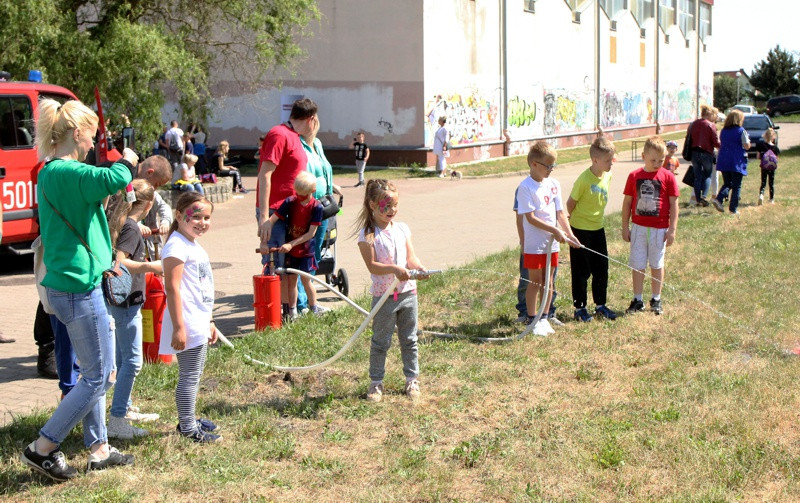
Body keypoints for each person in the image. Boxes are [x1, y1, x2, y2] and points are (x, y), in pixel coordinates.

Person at [21, 98, 137, 482]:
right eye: (91, 135)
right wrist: (128, 158)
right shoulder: (65, 171)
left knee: (96, 370)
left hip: (76, 284)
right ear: (76, 133)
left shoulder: (56, 172)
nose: (93, 142)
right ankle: (44, 447)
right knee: (98, 376)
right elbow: (114, 179)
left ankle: (100, 448)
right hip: (76, 289)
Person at [355, 179, 428, 402]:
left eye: (395, 205)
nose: (392, 210)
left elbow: (410, 258)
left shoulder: (402, 228)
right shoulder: (368, 234)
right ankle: (376, 383)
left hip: (408, 293)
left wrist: (419, 267)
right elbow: (372, 265)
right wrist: (395, 269)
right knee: (381, 340)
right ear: (372, 205)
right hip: (384, 296)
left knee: (409, 338)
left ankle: (412, 380)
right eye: (387, 205)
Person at [159, 192, 222, 443]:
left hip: (199, 320)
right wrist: (178, 328)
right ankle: (187, 428)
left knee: (194, 375)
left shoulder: (190, 243)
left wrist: (210, 320)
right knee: (189, 376)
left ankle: (189, 418)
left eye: (206, 217)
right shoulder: (176, 245)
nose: (202, 222)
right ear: (178, 215)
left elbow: (200, 287)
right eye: (195, 216)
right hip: (186, 322)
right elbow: (172, 288)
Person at [104, 179, 163, 439]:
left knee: (122, 358)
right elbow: (121, 262)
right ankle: (117, 420)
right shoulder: (130, 228)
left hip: (122, 300)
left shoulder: (124, 222)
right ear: (149, 204)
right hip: (127, 301)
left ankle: (124, 407)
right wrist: (153, 266)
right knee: (132, 361)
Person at [257, 98, 318, 316]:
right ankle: (276, 315)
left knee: (289, 267)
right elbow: (265, 174)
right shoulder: (279, 134)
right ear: (311, 119)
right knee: (276, 266)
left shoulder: (295, 137)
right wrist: (264, 216)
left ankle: (287, 312)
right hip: (275, 212)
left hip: (292, 212)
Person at [516, 142, 580, 336]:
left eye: (554, 166)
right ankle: (532, 318)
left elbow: (560, 212)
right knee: (535, 281)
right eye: (548, 166)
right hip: (534, 244)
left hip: (552, 243)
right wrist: (554, 231)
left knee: (549, 280)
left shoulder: (553, 184)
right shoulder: (525, 187)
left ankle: (544, 318)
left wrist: (569, 234)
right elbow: (530, 217)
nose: (551, 170)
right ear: (534, 164)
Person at [621, 136, 679, 316]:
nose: (657, 164)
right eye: (653, 160)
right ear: (643, 156)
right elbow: (627, 203)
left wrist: (672, 230)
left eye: (661, 161)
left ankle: (656, 298)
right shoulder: (634, 176)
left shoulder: (668, 177)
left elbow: (674, 203)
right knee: (638, 264)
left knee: (656, 263)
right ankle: (637, 299)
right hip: (638, 228)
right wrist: (625, 226)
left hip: (659, 230)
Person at [566, 137, 617, 322]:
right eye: (607, 160)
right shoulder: (584, 179)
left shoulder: (608, 175)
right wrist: (572, 222)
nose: (611, 163)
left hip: (598, 229)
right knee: (581, 271)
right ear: (595, 160)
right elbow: (570, 203)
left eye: (612, 159)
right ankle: (580, 308)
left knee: (601, 268)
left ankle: (600, 305)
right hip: (580, 229)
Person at [262, 171, 325, 319]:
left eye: (303, 195)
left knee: (306, 280)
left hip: (305, 250)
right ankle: (292, 311)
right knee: (291, 281)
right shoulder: (291, 201)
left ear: (312, 191)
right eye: (298, 194)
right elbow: (274, 218)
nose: (299, 198)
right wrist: (265, 229)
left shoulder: (317, 207)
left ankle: (314, 308)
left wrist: (291, 244)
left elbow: (311, 234)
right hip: (291, 251)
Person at [298, 113, 342, 313]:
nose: (315, 123)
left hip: (323, 205)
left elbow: (324, 170)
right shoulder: (298, 144)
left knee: (315, 253)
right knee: (303, 253)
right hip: (307, 204)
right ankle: (300, 304)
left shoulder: (318, 143)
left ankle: (310, 299)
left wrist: (333, 186)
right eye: (311, 120)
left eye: (316, 119)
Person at [711, 110, 750, 215]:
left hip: (724, 159)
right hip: (736, 160)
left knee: (728, 183)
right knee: (737, 185)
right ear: (739, 120)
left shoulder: (724, 131)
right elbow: (746, 145)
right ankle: (733, 209)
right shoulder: (741, 131)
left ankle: (718, 199)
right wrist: (748, 143)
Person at [688, 105, 720, 207]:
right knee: (707, 175)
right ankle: (704, 196)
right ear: (709, 114)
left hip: (694, 152)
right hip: (706, 153)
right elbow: (716, 142)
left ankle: (697, 199)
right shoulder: (711, 125)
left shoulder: (693, 124)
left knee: (697, 176)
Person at [757, 127, 780, 205]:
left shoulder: (761, 145)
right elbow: (776, 159)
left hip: (764, 167)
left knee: (763, 182)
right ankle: (771, 199)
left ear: (765, 136)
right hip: (772, 168)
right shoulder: (775, 148)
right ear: (773, 137)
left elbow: (758, 157)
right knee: (771, 183)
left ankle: (761, 195)